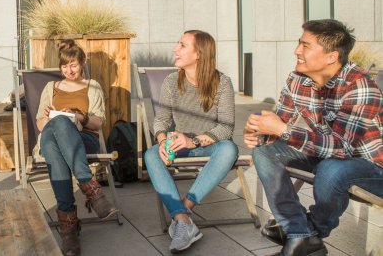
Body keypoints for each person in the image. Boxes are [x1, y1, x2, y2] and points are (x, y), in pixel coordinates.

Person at [244, 19, 383, 256]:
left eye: (305, 46)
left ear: (331, 57)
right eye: (299, 44)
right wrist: (260, 131)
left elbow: (343, 148)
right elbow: (281, 123)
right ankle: (299, 234)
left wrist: (281, 130)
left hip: (371, 167)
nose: (297, 50)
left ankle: (309, 234)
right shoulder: (297, 79)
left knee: (332, 168)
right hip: (326, 155)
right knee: (264, 153)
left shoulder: (360, 86)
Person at [144, 30, 238, 253]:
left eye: (182, 45)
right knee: (150, 154)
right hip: (180, 143)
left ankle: (183, 210)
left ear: (199, 54)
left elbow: (226, 128)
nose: (175, 49)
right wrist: (163, 141)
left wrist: (193, 141)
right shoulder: (171, 82)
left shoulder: (222, 83)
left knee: (229, 148)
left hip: (209, 145)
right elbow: (161, 120)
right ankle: (183, 221)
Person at [35, 39, 118, 256]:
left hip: (84, 139)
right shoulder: (50, 88)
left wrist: (79, 116)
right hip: (51, 138)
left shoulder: (93, 86)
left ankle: (68, 227)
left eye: (73, 65)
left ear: (83, 62)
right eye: (64, 66)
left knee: (60, 132)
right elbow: (40, 125)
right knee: (57, 124)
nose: (68, 70)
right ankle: (92, 190)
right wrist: (49, 118)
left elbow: (99, 123)